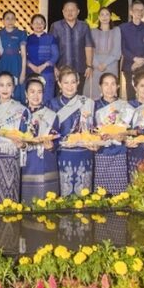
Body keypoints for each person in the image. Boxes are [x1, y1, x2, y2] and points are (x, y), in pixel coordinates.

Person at [49, 67, 95, 195]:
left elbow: (94, 129)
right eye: (66, 82)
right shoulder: (52, 104)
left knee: (84, 197)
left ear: (78, 83)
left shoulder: (86, 103)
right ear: (59, 84)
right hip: (62, 155)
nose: (70, 86)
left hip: (84, 154)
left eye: (73, 82)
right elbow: (49, 132)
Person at [0, 72, 25, 203]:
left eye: (8, 85)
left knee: (10, 197)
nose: (5, 88)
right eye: (1, 85)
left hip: (11, 158)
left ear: (13, 87)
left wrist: (22, 143)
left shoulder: (21, 110)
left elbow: (25, 136)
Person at [18, 76, 59, 202]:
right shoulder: (20, 114)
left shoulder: (52, 115)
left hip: (45, 161)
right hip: (25, 163)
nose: (36, 95)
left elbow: (57, 140)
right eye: (32, 91)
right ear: (26, 94)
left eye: (39, 92)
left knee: (47, 201)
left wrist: (51, 146)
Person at [93, 73, 134, 195]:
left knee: (119, 195)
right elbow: (90, 130)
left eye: (113, 84)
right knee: (100, 195)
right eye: (106, 84)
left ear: (117, 86)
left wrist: (123, 136)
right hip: (100, 153)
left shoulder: (125, 106)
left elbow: (130, 131)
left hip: (119, 153)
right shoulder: (94, 106)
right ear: (100, 86)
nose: (109, 88)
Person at [50, 1, 94, 95]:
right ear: (63, 12)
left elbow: (88, 46)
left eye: (72, 10)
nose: (70, 12)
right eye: (67, 10)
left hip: (80, 68)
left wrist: (89, 66)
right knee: (61, 96)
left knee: (78, 95)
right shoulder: (56, 26)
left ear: (78, 11)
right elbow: (50, 47)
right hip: (61, 69)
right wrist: (53, 67)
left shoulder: (84, 26)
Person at [119, 0, 144, 98]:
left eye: (142, 10)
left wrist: (141, 61)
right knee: (130, 92)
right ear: (131, 12)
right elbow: (122, 47)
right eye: (137, 10)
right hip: (129, 65)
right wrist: (134, 59)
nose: (140, 12)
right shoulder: (123, 28)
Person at [89, 7, 122, 100]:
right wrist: (96, 64)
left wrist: (105, 64)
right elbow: (90, 50)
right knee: (96, 93)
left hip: (111, 65)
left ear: (110, 17)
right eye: (102, 15)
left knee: (110, 91)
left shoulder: (116, 30)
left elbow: (117, 51)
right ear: (99, 17)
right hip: (96, 67)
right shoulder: (93, 32)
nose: (104, 17)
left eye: (107, 14)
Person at [0, 11, 27, 102]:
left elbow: (23, 54)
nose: (10, 21)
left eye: (12, 18)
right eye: (7, 18)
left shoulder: (21, 33)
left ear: (15, 20)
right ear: (3, 21)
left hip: (16, 64)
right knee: (3, 86)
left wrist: (23, 72)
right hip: (2, 63)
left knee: (17, 89)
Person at [26, 13, 58, 90]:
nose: (39, 25)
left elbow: (55, 55)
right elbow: (23, 56)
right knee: (33, 94)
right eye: (36, 22)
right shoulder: (27, 39)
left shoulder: (51, 38)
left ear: (45, 25)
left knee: (47, 94)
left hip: (47, 72)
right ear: (31, 25)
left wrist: (44, 66)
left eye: (41, 22)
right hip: (31, 72)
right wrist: (31, 66)